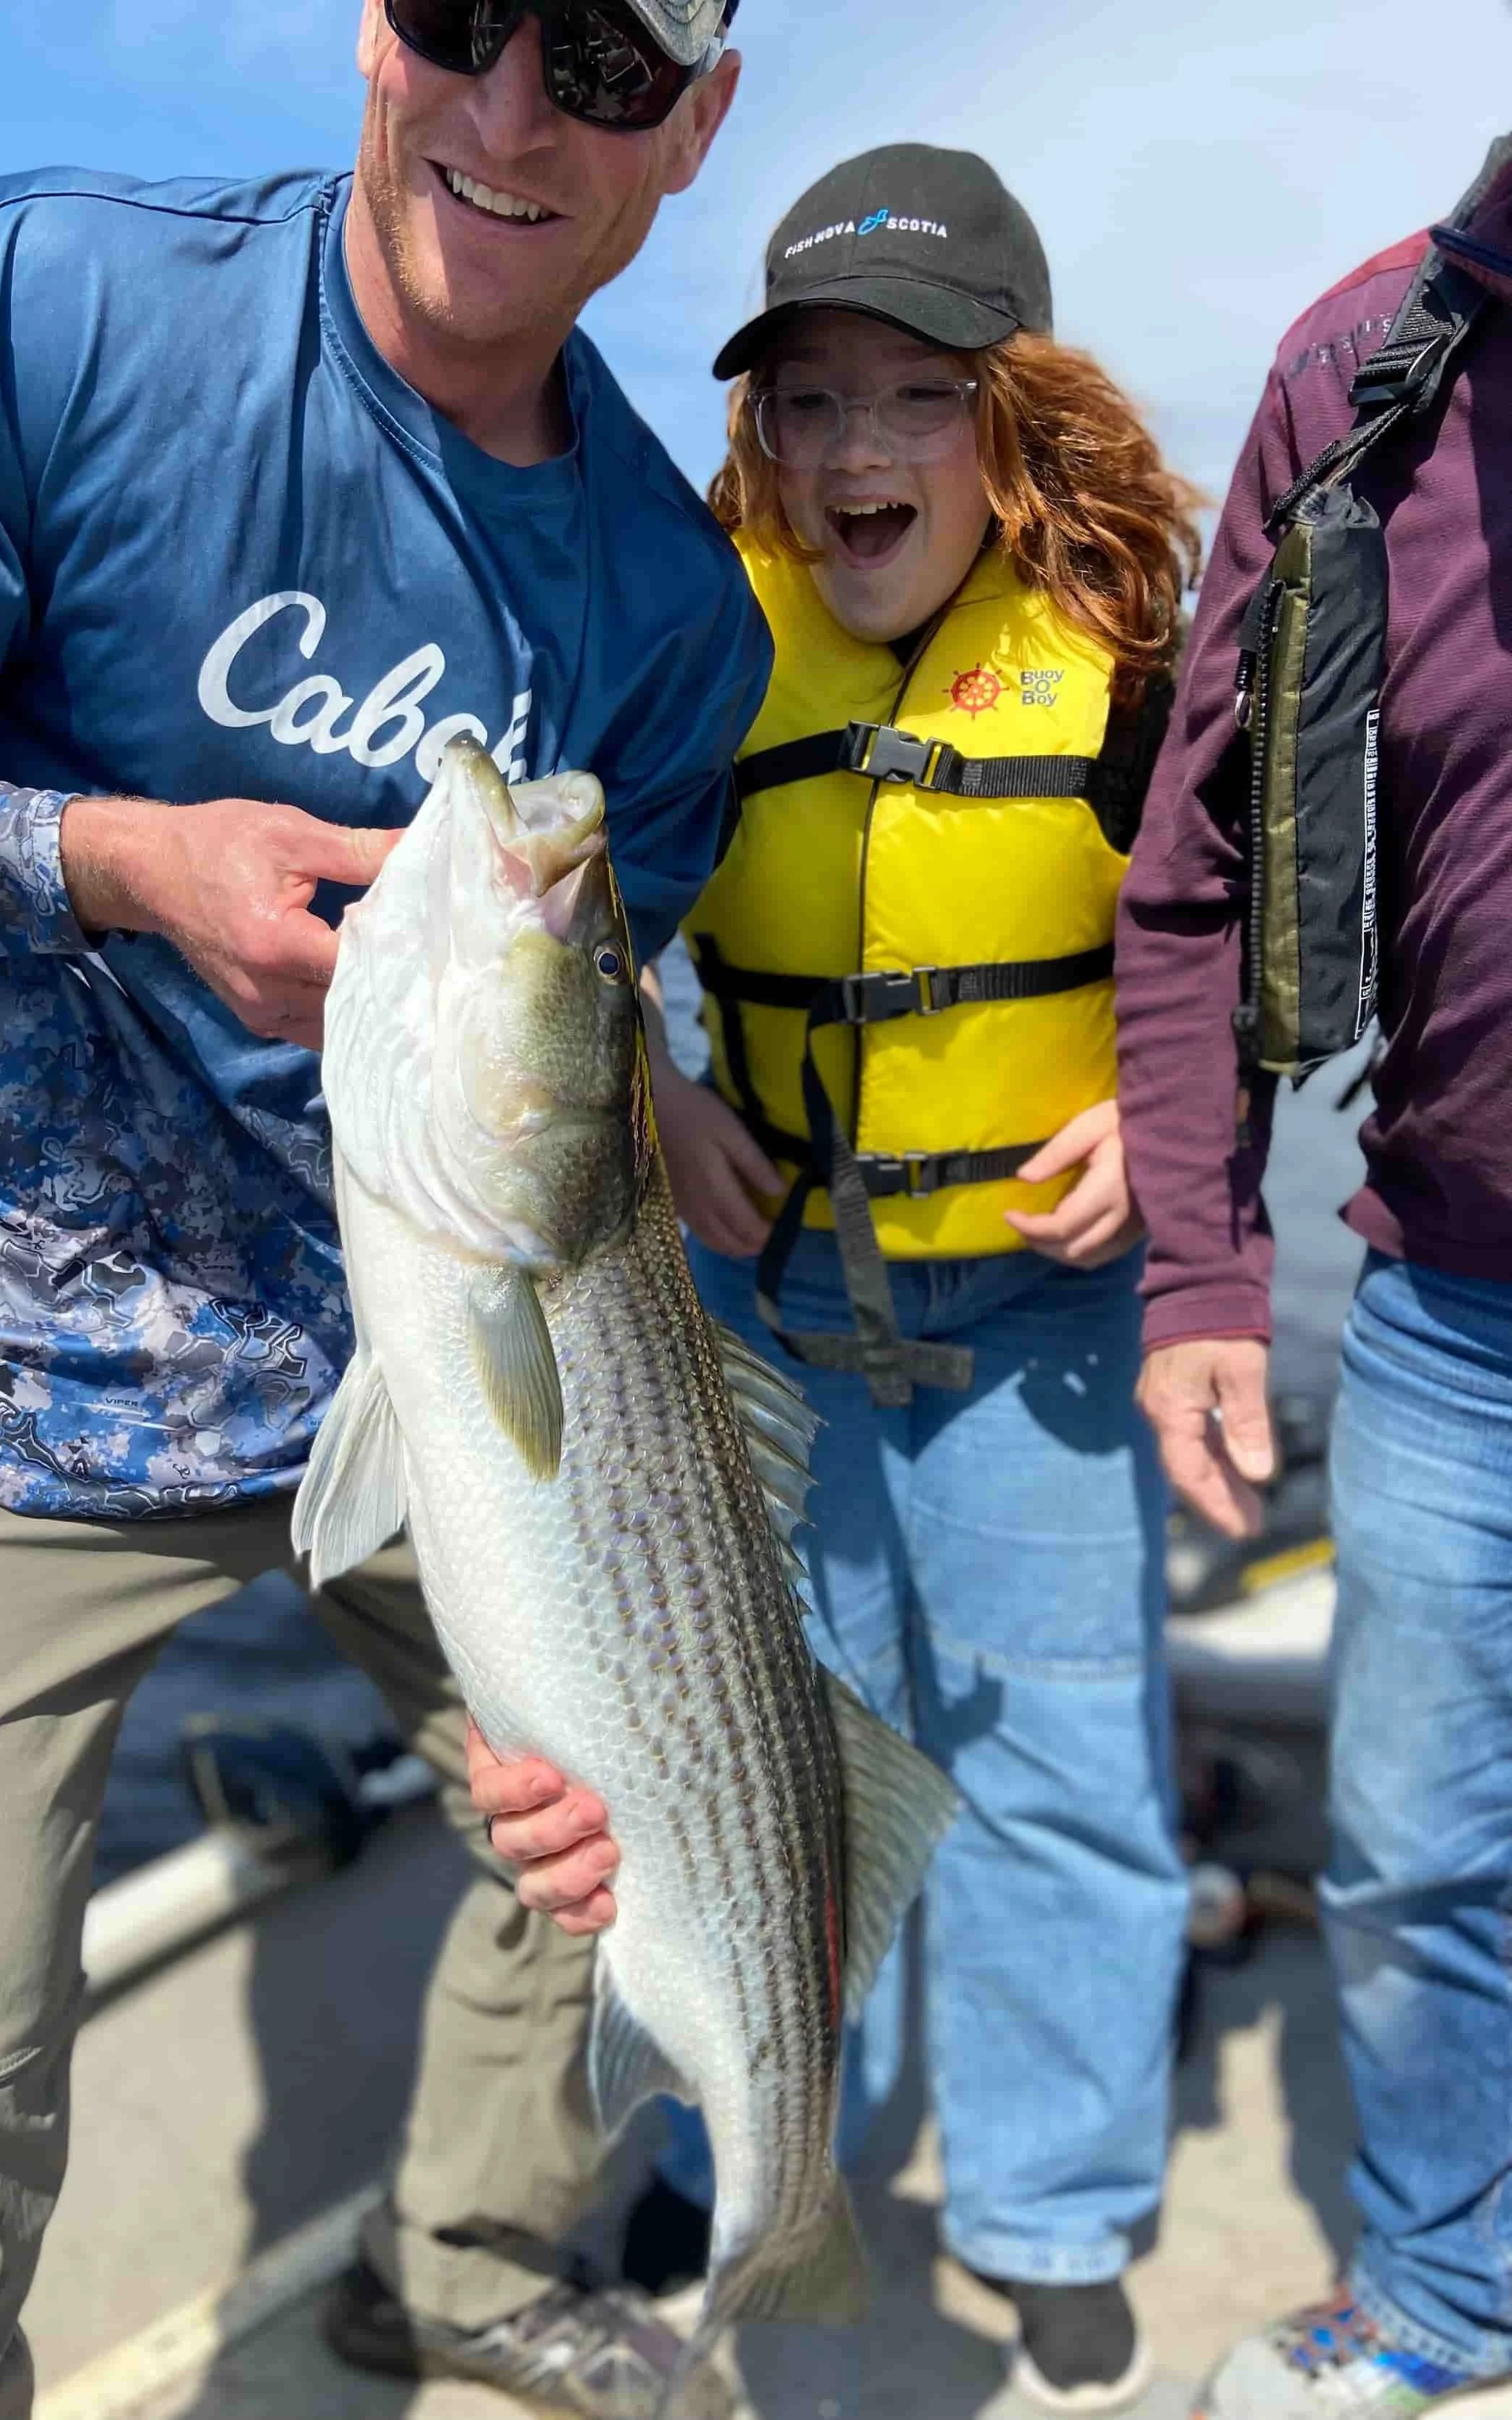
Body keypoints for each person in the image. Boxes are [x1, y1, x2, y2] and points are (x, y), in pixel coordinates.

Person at [0, 5, 770, 2413]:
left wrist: (665, 1088)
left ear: (693, 124)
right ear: (379, 28)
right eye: (474, 17)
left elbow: (588, 1013)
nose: (513, 117)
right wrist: (104, 860)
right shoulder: (49, 302)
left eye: (604, 67)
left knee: (643, 1801)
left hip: (432, 1375)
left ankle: (474, 2254)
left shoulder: (675, 619)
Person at [626, 142, 1198, 2411]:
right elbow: (551, 923)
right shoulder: (683, 634)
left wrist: (1170, 1128)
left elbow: (1265, 960)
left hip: (1037, 1334)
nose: (856, 453)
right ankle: (765, 2146)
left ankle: (1054, 2208)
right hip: (770, 1333)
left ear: (1015, 418)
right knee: (760, 1766)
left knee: (1056, 1767)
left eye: (915, 398)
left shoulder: (1142, 658)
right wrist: (659, 1089)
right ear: (760, 434)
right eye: (810, 403)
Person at [1116, 137, 1512, 2420]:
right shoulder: (1364, 368)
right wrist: (1197, 1273)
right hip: (1456, 1309)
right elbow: (1193, 879)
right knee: (1409, 1853)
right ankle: (1446, 2289)